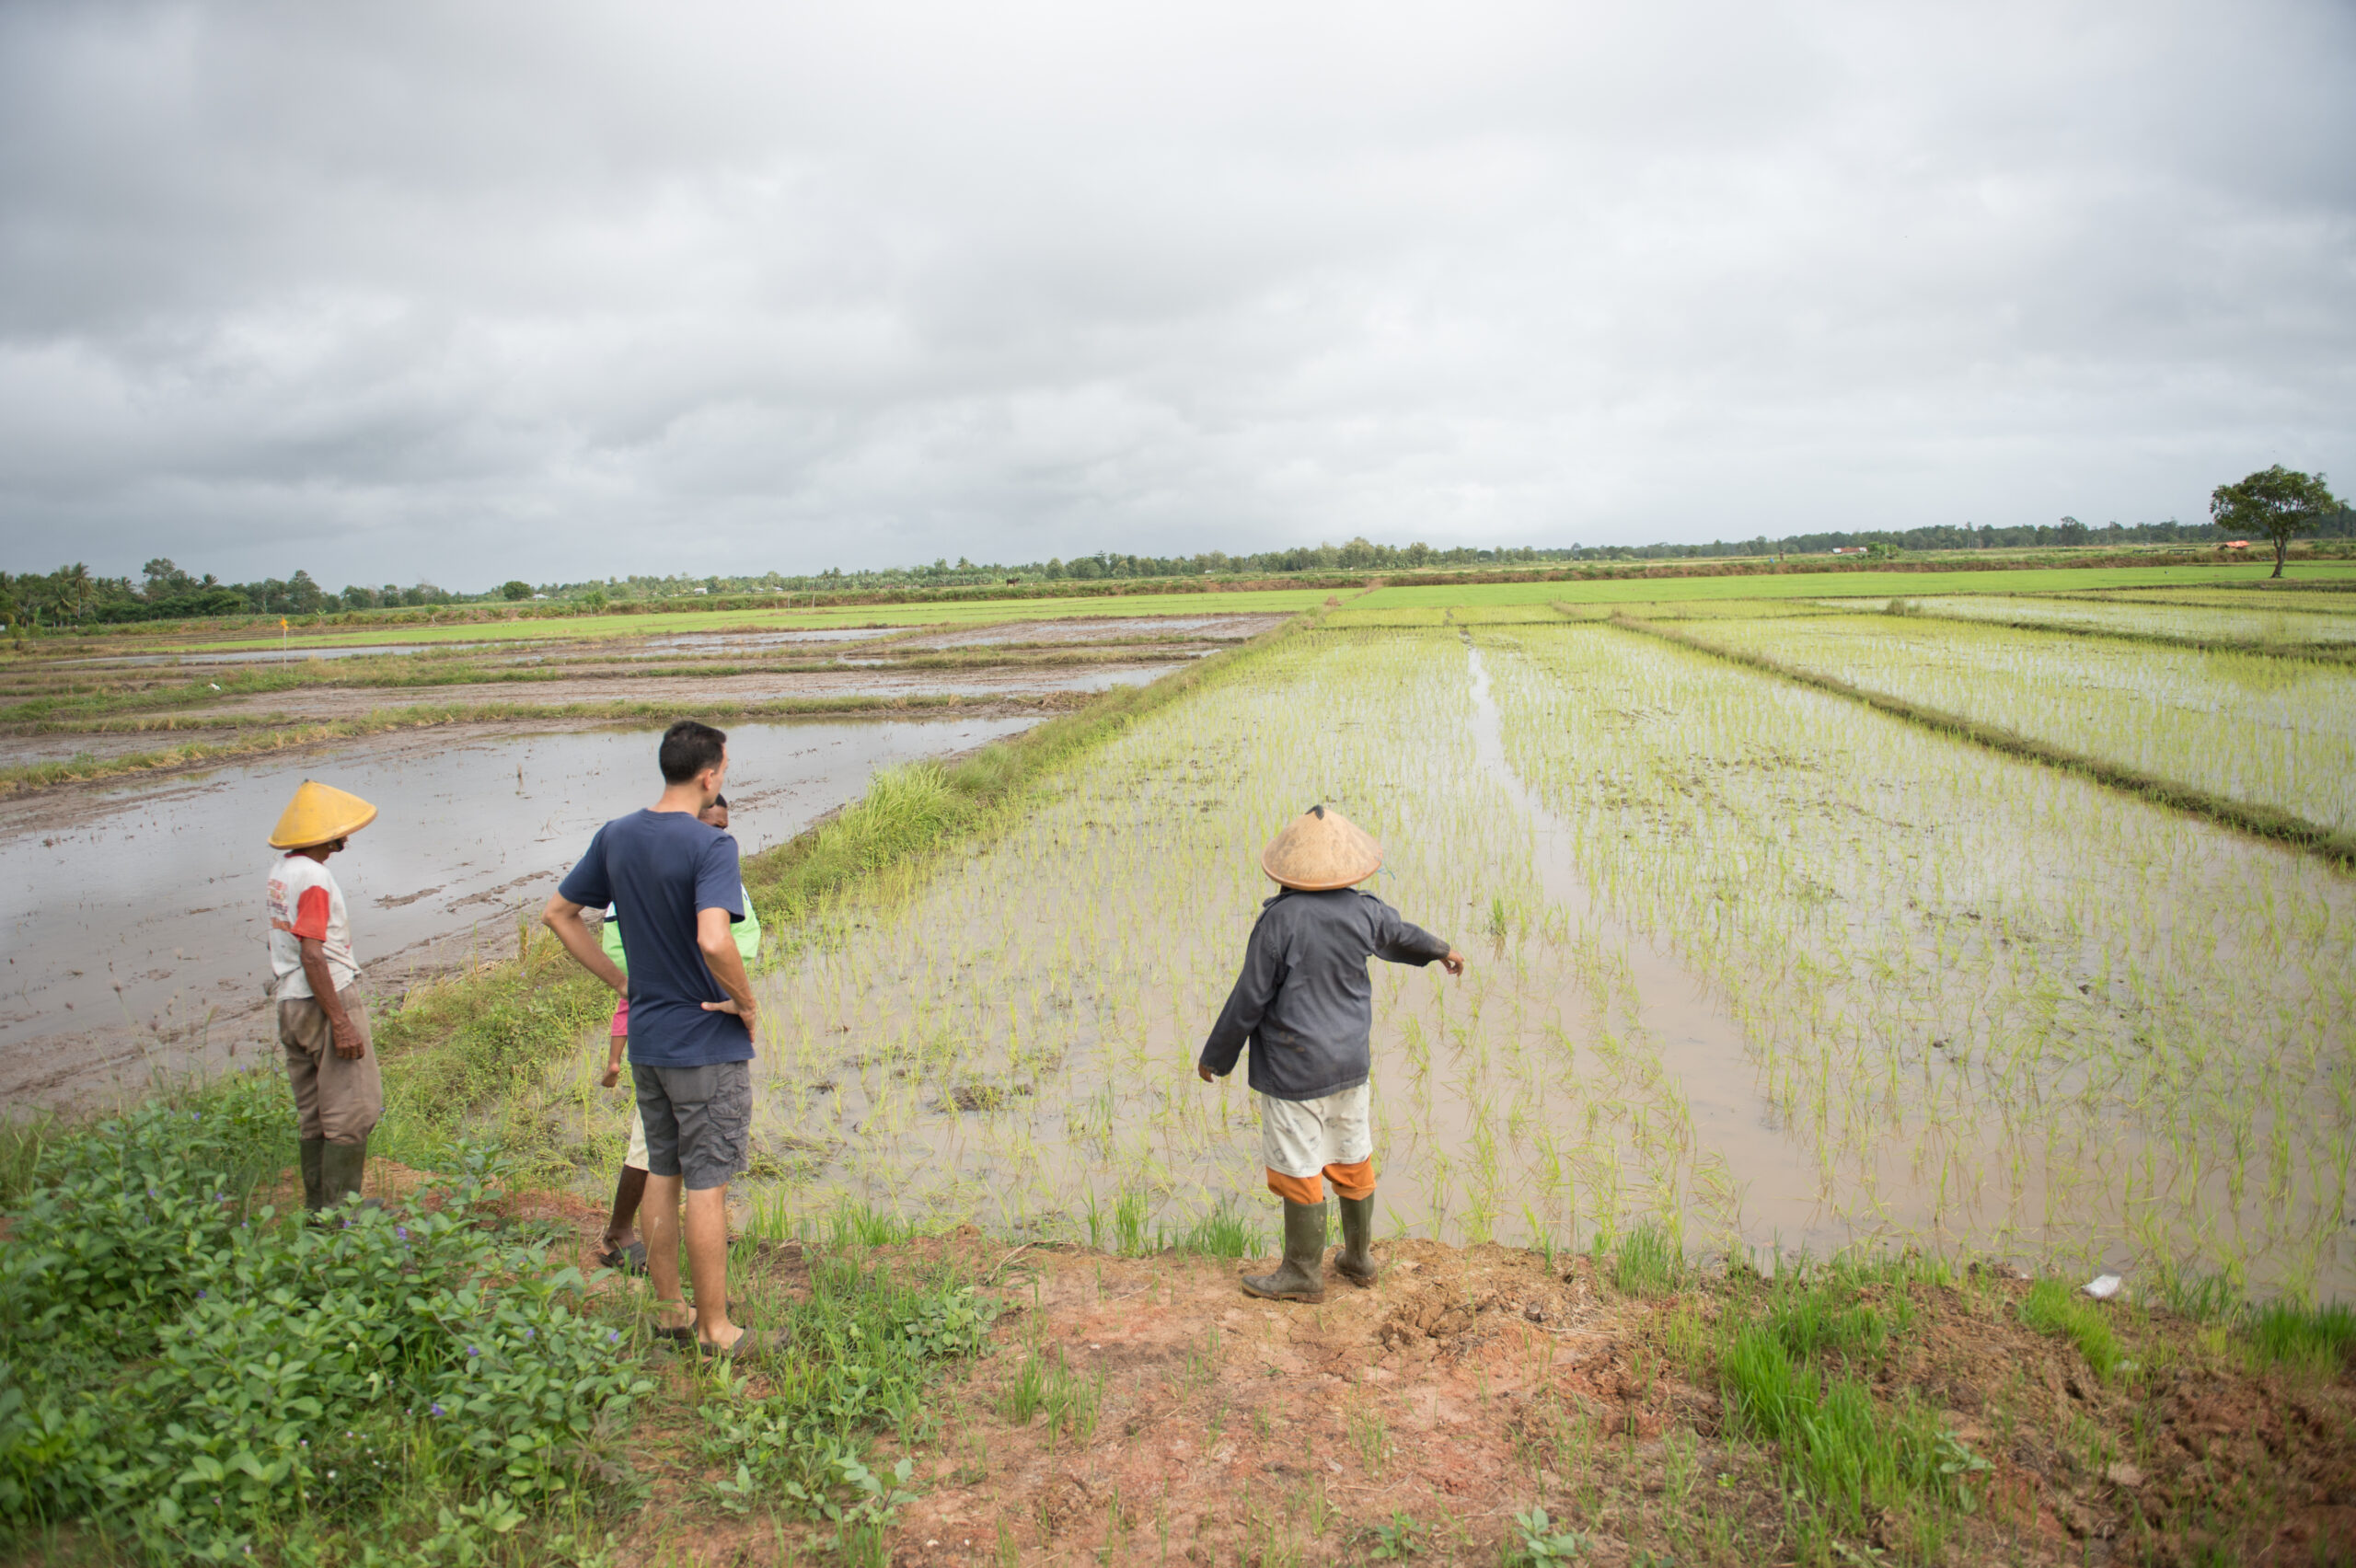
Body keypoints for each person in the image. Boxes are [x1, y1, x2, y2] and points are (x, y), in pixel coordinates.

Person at [543, 720, 768, 1356]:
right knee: (708, 1183)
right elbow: (714, 938)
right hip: (704, 1038)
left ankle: (671, 1310)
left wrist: (624, 982)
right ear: (708, 774)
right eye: (723, 768)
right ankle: (716, 1329)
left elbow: (558, 914)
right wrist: (745, 1004)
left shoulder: (617, 836)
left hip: (648, 1039)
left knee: (662, 1171)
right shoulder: (709, 846)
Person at [1196, 804, 1465, 1303]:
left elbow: (1249, 998)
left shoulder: (1278, 923)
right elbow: (1403, 934)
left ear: (1289, 869)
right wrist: (1442, 950)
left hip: (1293, 1070)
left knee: (1299, 1164)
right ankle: (1358, 1259)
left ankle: (1302, 1273)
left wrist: (1217, 1056)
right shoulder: (1363, 910)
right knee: (1350, 1155)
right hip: (1350, 1067)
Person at [594, 792, 763, 1274]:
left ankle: (680, 1251)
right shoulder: (648, 872)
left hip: (708, 1016)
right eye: (709, 826)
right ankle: (620, 1234)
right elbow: (629, 949)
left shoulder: (713, 867)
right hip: (678, 1023)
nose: (716, 837)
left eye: (723, 830)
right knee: (659, 1151)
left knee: (685, 1150)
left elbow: (739, 938)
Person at [264, 778, 384, 1213]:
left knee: (313, 1113)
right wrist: (341, 1021)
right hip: (324, 999)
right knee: (353, 1112)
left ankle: (319, 1211)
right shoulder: (315, 877)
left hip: (290, 1002)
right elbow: (313, 953)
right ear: (325, 836)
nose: (345, 837)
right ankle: (341, 1216)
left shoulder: (282, 871)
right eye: (338, 830)